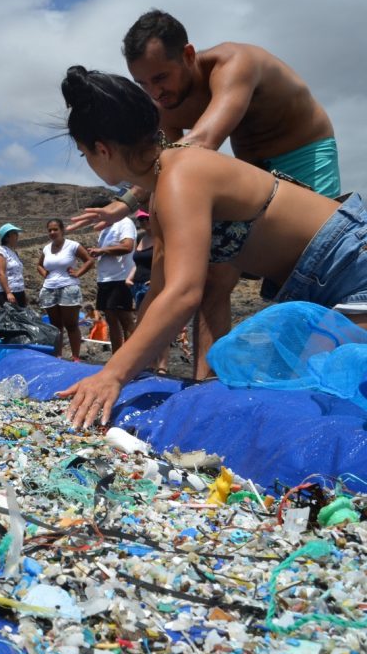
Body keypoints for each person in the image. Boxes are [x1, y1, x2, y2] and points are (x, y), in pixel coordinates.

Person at [56, 65, 367, 429]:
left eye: (84, 154)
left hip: (351, 264)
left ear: (102, 149)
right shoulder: (163, 192)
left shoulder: (181, 176)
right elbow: (158, 292)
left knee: (340, 401)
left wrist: (113, 376)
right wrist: (123, 366)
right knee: (312, 408)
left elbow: (185, 292)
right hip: (318, 284)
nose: (88, 163)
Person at [72, 9, 341, 379]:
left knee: (306, 281)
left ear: (188, 55)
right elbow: (155, 163)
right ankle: (206, 378)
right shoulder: (167, 103)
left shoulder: (235, 64)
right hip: (253, 171)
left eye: (161, 77)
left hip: (303, 155)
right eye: (143, 84)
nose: (155, 93)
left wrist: (114, 374)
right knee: (212, 277)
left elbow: (196, 146)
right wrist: (125, 204)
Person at [36, 218, 94, 361]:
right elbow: (39, 265)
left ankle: (75, 357)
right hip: (49, 289)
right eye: (50, 230)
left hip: (68, 287)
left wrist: (78, 273)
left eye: (55, 229)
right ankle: (58, 356)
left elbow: (89, 260)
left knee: (71, 324)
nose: (52, 232)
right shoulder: (46, 248)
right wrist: (44, 274)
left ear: (62, 230)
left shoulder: (72, 245)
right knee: (56, 326)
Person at [87, 196, 136, 352]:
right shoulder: (105, 229)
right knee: (111, 320)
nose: (96, 220)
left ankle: (131, 359)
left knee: (125, 320)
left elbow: (127, 246)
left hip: (120, 278)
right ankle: (117, 357)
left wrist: (102, 250)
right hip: (105, 279)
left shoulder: (125, 223)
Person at [126, 210, 172, 374]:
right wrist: (129, 278)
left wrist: (158, 280)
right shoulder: (141, 238)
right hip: (137, 285)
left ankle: (163, 364)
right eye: (140, 220)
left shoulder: (163, 239)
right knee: (144, 326)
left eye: (146, 219)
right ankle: (151, 362)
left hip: (154, 286)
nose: (143, 222)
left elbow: (171, 261)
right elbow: (137, 263)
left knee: (160, 324)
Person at [0, 222, 26, 307]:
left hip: (18, 291)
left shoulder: (13, 252)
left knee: (20, 318)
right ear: (6, 237)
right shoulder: (1, 253)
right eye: (14, 233)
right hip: (5, 293)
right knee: (12, 318)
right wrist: (8, 293)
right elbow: (0, 274)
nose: (17, 236)